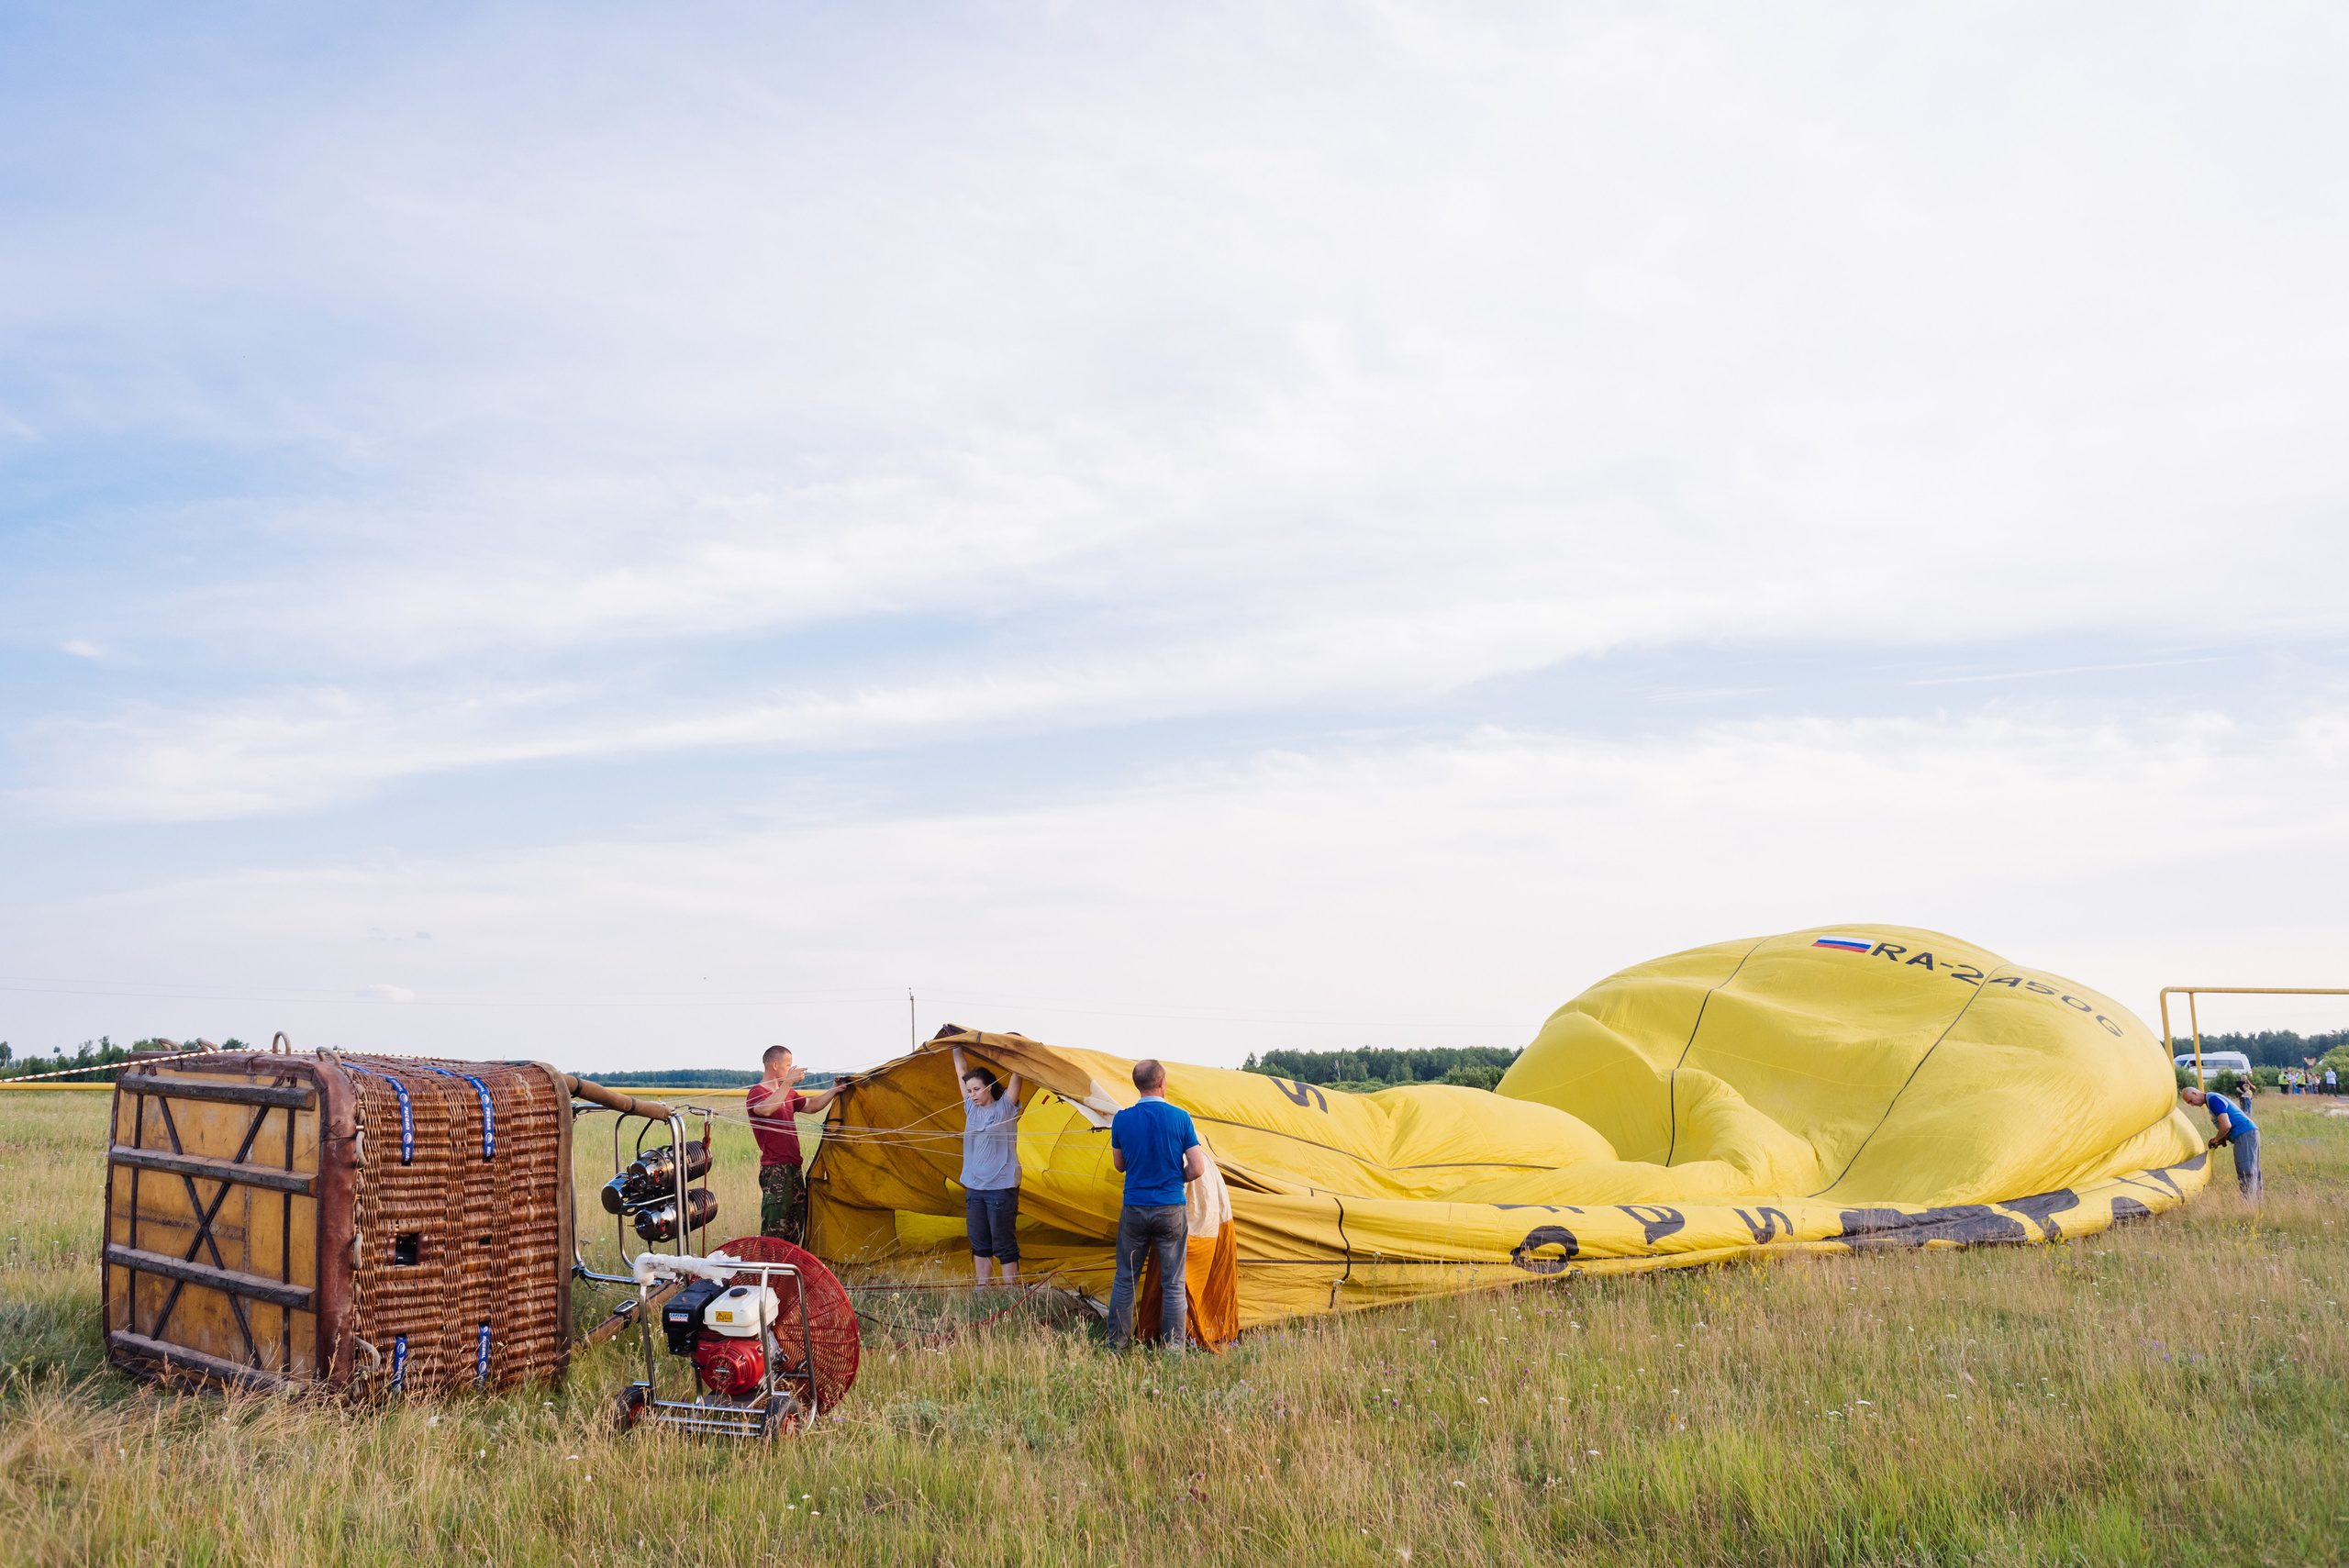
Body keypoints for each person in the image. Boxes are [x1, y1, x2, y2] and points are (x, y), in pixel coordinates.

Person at [1107, 1058, 1208, 1352]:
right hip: (1171, 1208)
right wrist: (1178, 1177)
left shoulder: (1122, 1119)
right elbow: (1198, 1167)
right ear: (1162, 1083)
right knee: (1173, 1284)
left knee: (1125, 1279)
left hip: (1135, 1208)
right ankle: (1174, 1352)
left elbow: (1119, 1165)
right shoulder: (1181, 1118)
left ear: (1137, 1085)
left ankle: (1117, 1347)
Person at [747, 1045, 849, 1245]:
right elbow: (765, 1110)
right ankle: (768, 1271)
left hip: (794, 1167)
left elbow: (811, 1106)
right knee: (775, 1227)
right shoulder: (757, 1092)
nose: (791, 1070)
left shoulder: (789, 1093)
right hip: (775, 1169)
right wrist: (788, 1083)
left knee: (795, 1227)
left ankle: (789, 1272)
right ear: (775, 1065)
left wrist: (833, 1090)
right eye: (788, 1066)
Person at [952, 1042, 1023, 1289]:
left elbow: (1017, 1075)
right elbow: (961, 1067)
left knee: (1003, 1242)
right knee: (980, 1241)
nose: (971, 1094)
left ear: (989, 1087)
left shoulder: (1005, 1108)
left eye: (977, 1089)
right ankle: (982, 1288)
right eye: (969, 1090)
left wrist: (1019, 1052)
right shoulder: (970, 1108)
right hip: (974, 1188)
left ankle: (1010, 1291)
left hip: (1001, 1189)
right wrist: (955, 1045)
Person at [2181, 1084, 2260, 1202]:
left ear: (2194, 1093)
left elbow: (2226, 1125)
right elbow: (2228, 1124)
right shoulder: (2212, 1100)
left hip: (2245, 1134)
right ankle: (2257, 1203)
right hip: (2247, 1133)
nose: (2192, 1105)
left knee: (2246, 1171)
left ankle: (2248, 1205)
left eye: (2191, 1101)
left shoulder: (2213, 1100)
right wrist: (2223, 1138)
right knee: (2252, 1170)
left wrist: (2217, 1139)